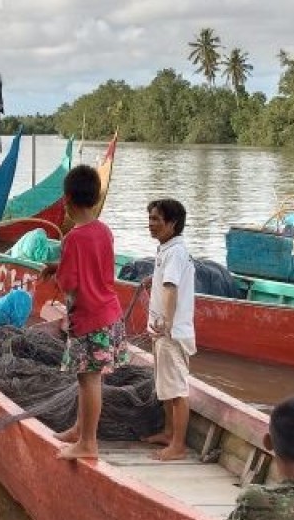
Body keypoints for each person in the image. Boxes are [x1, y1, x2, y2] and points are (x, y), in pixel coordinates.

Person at [37, 165, 126, 460]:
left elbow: (70, 284)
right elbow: (95, 265)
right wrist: (58, 265)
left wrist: (59, 273)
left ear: (67, 200)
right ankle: (79, 429)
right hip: (110, 313)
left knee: (89, 381)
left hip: (89, 320)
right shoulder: (104, 230)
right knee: (87, 378)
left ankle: (88, 443)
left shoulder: (72, 238)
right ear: (95, 198)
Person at [140, 198, 196, 461]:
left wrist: (168, 323)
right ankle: (168, 432)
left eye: (157, 220)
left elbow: (171, 288)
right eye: (150, 218)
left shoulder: (175, 252)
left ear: (172, 224)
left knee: (177, 391)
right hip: (161, 331)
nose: (151, 224)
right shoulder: (168, 248)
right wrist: (153, 279)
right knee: (165, 386)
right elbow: (168, 281)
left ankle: (178, 446)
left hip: (170, 333)